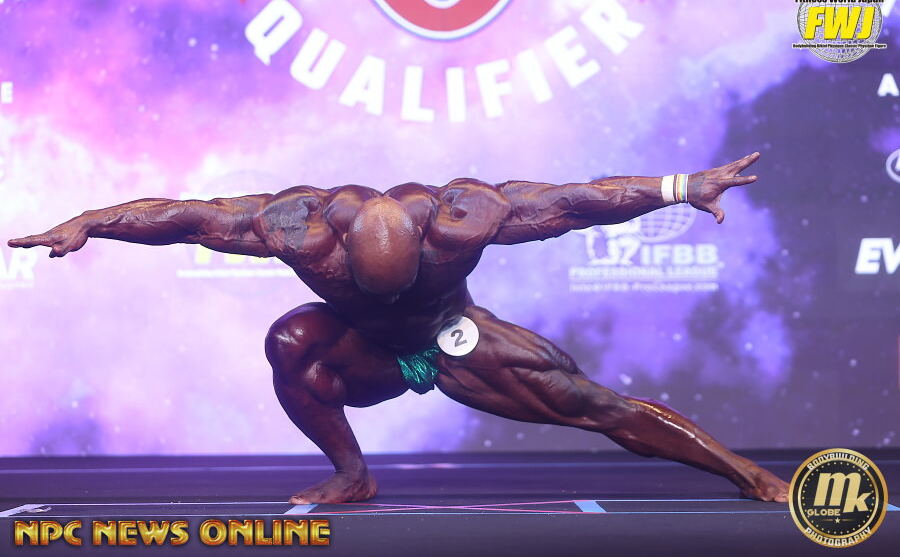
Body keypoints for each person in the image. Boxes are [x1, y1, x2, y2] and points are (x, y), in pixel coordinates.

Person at [8, 151, 789, 504]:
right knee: (292, 344)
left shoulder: (466, 216)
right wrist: (91, 221)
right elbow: (184, 217)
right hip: (366, 350)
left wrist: (683, 186)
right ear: (338, 248)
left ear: (426, 243)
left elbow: (582, 200)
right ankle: (354, 475)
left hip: (451, 337)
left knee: (594, 405)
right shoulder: (294, 226)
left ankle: (746, 474)